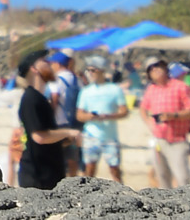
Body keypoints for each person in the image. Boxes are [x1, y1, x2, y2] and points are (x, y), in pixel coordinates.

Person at [15, 52, 76, 190]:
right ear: (34, 69)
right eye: (45, 61)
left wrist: (63, 139)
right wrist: (68, 132)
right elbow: (39, 137)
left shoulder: (40, 98)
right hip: (37, 177)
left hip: (48, 173)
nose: (50, 64)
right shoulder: (31, 99)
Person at [139, 58, 190, 189]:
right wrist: (149, 123)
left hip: (177, 139)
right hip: (159, 138)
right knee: (162, 177)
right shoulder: (152, 89)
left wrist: (173, 116)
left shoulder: (180, 87)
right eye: (152, 69)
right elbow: (143, 108)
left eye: (158, 67)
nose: (156, 71)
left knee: (183, 177)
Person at [78, 62, 128, 184]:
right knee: (89, 169)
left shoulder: (114, 89)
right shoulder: (86, 91)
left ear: (101, 71)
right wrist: (90, 116)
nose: (90, 73)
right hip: (91, 135)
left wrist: (108, 116)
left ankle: (123, 195)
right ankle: (85, 194)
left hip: (109, 136)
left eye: (93, 70)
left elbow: (124, 111)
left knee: (114, 168)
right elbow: (79, 115)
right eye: (88, 70)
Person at [45, 50, 83, 178]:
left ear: (57, 64)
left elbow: (54, 99)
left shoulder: (55, 80)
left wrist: (48, 118)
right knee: (72, 158)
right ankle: (73, 183)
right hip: (75, 123)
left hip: (59, 123)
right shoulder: (77, 79)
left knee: (56, 156)